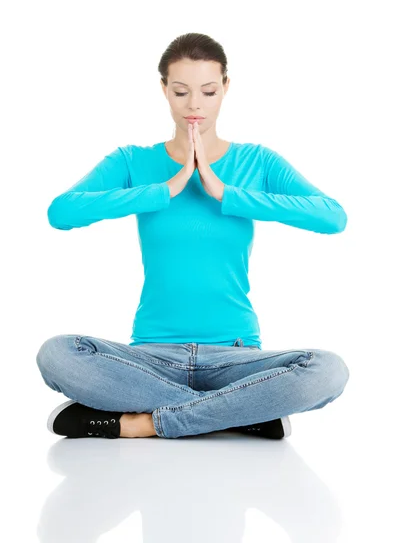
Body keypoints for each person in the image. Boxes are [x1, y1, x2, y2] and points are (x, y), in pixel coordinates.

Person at [36, 32, 350, 440]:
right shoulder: (134, 161)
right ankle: (241, 413)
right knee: (57, 355)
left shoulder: (257, 161)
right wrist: (162, 190)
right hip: (149, 356)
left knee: (327, 371)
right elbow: (61, 212)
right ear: (164, 89)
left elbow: (333, 217)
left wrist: (227, 194)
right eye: (181, 91)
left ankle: (144, 423)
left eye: (208, 90)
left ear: (226, 88)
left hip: (235, 356)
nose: (195, 105)